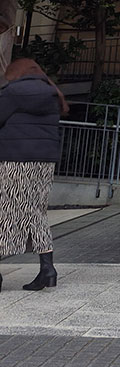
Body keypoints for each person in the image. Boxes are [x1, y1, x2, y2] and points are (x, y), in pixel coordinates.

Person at [0, 58, 67, 292]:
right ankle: (47, 269)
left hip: (14, 159)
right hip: (45, 161)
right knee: (35, 211)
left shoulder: (12, 91)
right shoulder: (51, 92)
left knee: (4, 211)